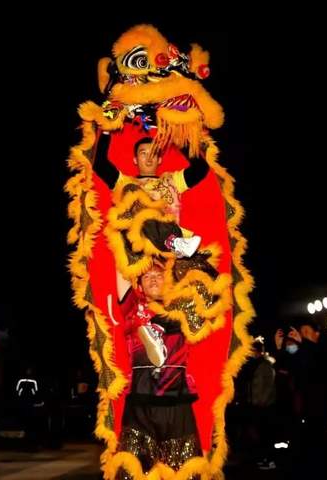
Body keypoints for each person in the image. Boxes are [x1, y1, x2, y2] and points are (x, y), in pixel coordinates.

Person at [114, 262, 201, 477]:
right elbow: (121, 269)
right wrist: (132, 243)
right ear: (140, 286)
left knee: (187, 472)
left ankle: (158, 334)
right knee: (131, 471)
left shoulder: (184, 307)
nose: (153, 279)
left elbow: (200, 285)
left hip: (177, 403)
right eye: (147, 276)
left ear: (168, 280)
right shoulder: (132, 307)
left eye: (159, 275)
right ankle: (151, 333)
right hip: (140, 404)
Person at [92, 126, 208, 258]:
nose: (149, 158)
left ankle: (174, 242)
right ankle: (173, 242)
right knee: (131, 190)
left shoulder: (172, 180)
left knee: (205, 266)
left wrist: (178, 138)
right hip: (138, 247)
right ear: (135, 160)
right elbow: (100, 164)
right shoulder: (124, 182)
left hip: (171, 249)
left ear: (159, 159)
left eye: (154, 153)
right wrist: (106, 129)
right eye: (143, 153)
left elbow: (200, 168)